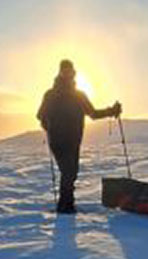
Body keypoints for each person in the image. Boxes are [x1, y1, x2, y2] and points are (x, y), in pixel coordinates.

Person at [37, 59, 121, 214]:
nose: (67, 73)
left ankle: (68, 204)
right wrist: (45, 123)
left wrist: (112, 111)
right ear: (60, 72)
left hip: (74, 140)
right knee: (68, 171)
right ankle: (65, 207)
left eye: (69, 71)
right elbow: (40, 115)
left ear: (73, 72)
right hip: (57, 140)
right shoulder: (50, 95)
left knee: (72, 172)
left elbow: (93, 114)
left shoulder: (79, 95)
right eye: (64, 70)